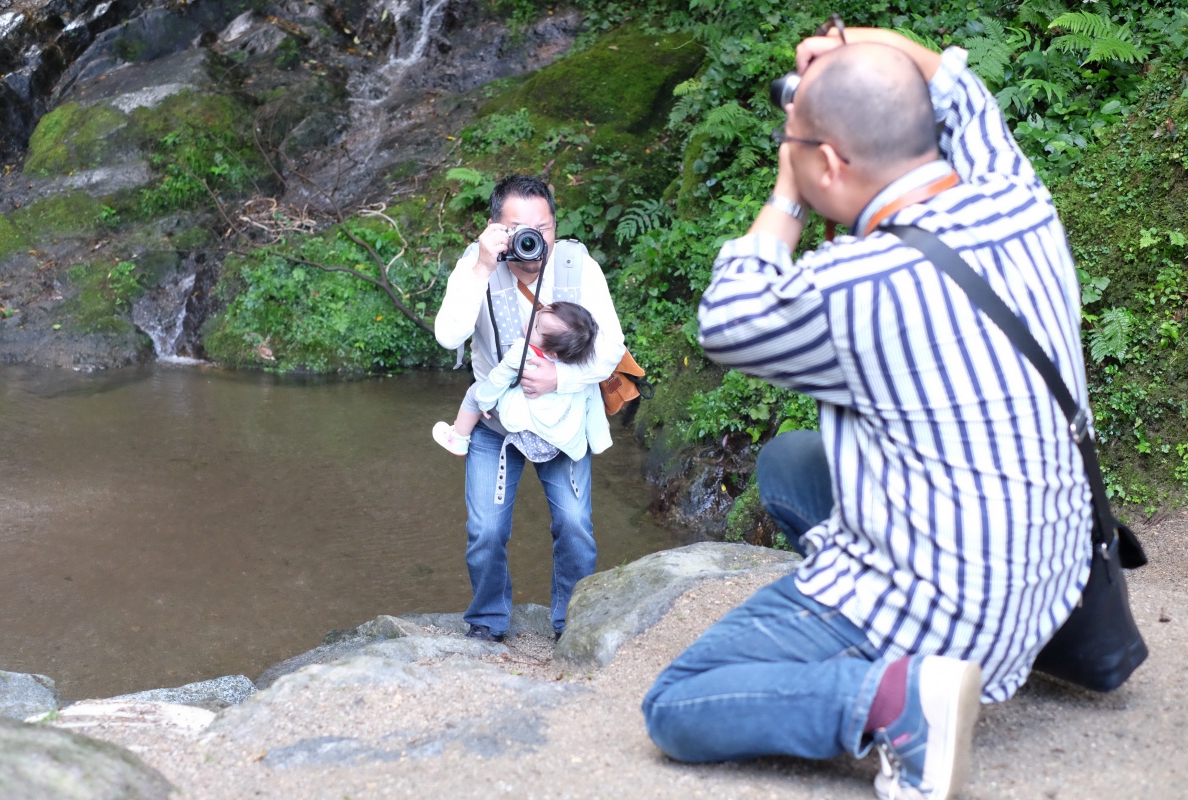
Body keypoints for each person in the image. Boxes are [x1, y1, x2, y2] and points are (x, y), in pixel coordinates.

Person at [642, 24, 1094, 800]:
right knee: (787, 464)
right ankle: (897, 638)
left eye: (799, 144)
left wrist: (787, 193)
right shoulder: (1017, 199)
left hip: (956, 608)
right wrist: (852, 51)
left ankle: (896, 698)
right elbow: (957, 82)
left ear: (827, 160)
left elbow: (728, 318)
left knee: (677, 702)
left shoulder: (855, 286)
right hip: (1053, 572)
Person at [434, 175, 625, 643]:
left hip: (561, 419)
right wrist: (481, 267)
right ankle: (489, 620)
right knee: (485, 530)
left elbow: (611, 349)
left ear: (555, 228)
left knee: (576, 526)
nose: (532, 242)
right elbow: (447, 336)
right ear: (494, 228)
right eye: (519, 229)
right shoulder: (475, 267)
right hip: (496, 422)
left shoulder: (579, 268)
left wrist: (560, 377)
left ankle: (571, 623)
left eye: (543, 229)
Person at [432, 301, 611, 464]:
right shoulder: (580, 366)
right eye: (537, 314)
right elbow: (594, 406)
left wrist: (484, 403)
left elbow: (497, 379)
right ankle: (600, 442)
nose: (530, 322)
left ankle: (459, 439)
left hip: (529, 436)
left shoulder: (522, 353)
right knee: (588, 391)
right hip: (561, 442)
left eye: (536, 327)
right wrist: (599, 442)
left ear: (551, 354)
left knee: (476, 392)